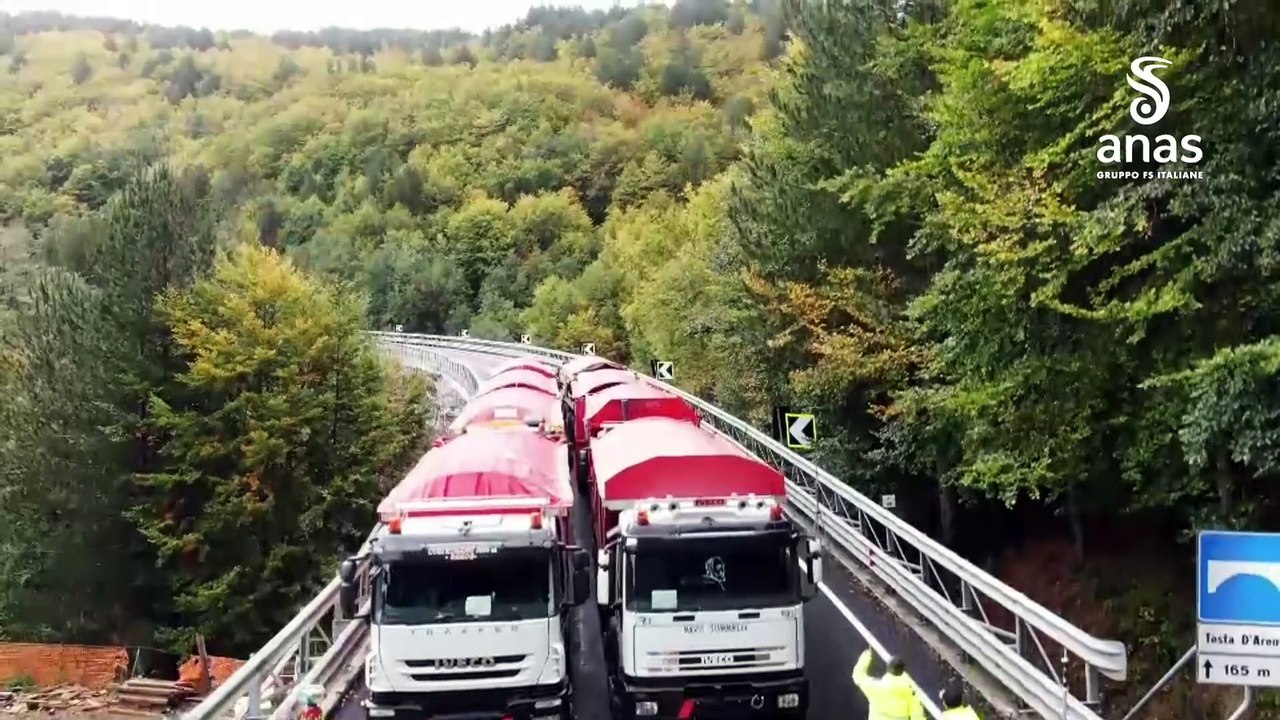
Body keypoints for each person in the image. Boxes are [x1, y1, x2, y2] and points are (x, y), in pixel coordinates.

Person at [852, 648, 925, 720]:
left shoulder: (875, 687)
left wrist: (867, 655)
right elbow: (918, 717)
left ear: (888, 668)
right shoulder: (909, 694)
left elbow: (858, 676)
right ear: (903, 670)